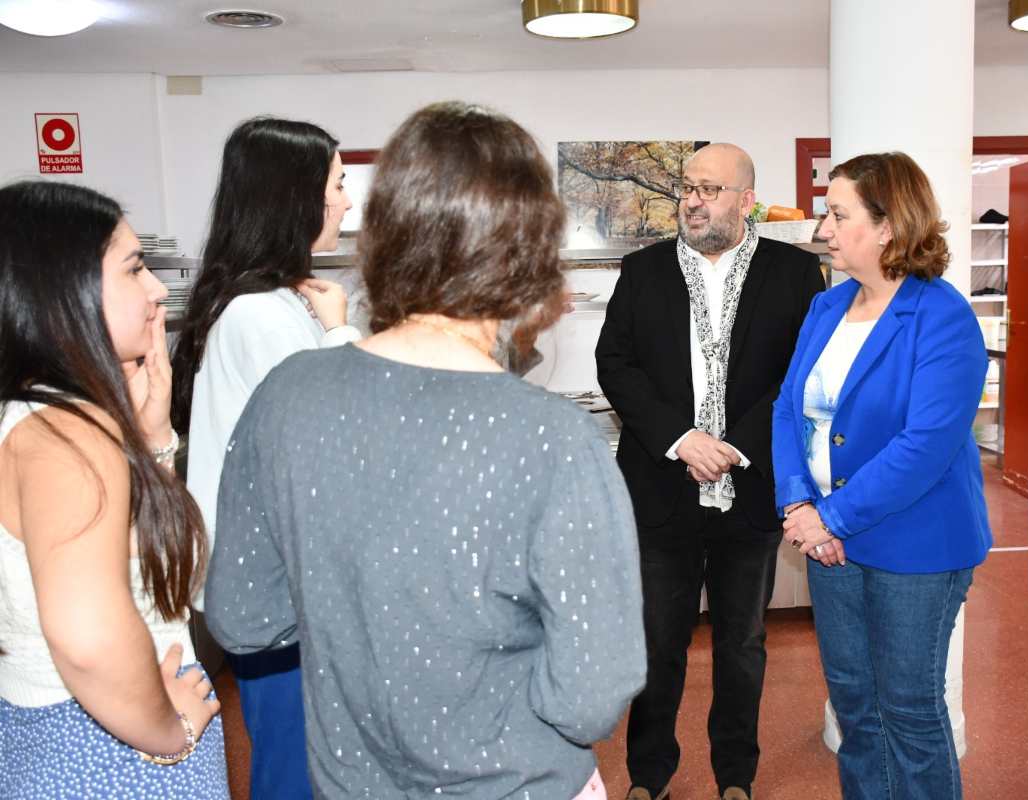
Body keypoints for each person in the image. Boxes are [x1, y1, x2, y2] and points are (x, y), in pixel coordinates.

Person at [203, 101, 646, 799]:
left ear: (382, 233)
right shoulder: (552, 437)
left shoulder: (288, 394)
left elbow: (245, 618)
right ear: (529, 248)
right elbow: (589, 695)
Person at [596, 143, 826, 800]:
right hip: (660, 488)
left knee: (742, 645)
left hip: (749, 489)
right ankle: (649, 776)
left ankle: (735, 776)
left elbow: (798, 374)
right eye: (686, 188)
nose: (692, 200)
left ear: (745, 200)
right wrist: (680, 439)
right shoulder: (642, 271)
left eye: (709, 189)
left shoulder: (791, 272)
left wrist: (733, 446)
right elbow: (616, 365)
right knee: (656, 643)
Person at [773, 152, 990, 800]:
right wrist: (798, 508)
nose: (824, 230)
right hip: (827, 543)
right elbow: (789, 410)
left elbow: (923, 445)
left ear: (889, 226)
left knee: (909, 712)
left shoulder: (941, 317)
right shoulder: (826, 307)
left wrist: (829, 516)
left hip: (914, 545)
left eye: (838, 215)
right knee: (856, 712)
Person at [0, 181, 228, 798]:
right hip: (105, 749)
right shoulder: (70, 432)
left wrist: (153, 439)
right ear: (63, 292)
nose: (156, 290)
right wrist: (166, 729)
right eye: (133, 269)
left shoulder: (36, 416)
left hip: (55, 733)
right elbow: (87, 636)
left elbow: (144, 561)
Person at [170, 116, 359, 800]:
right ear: (296, 195)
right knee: (294, 769)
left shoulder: (274, 303)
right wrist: (341, 335)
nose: (345, 201)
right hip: (281, 595)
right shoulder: (260, 314)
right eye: (337, 184)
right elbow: (337, 434)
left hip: (284, 586)